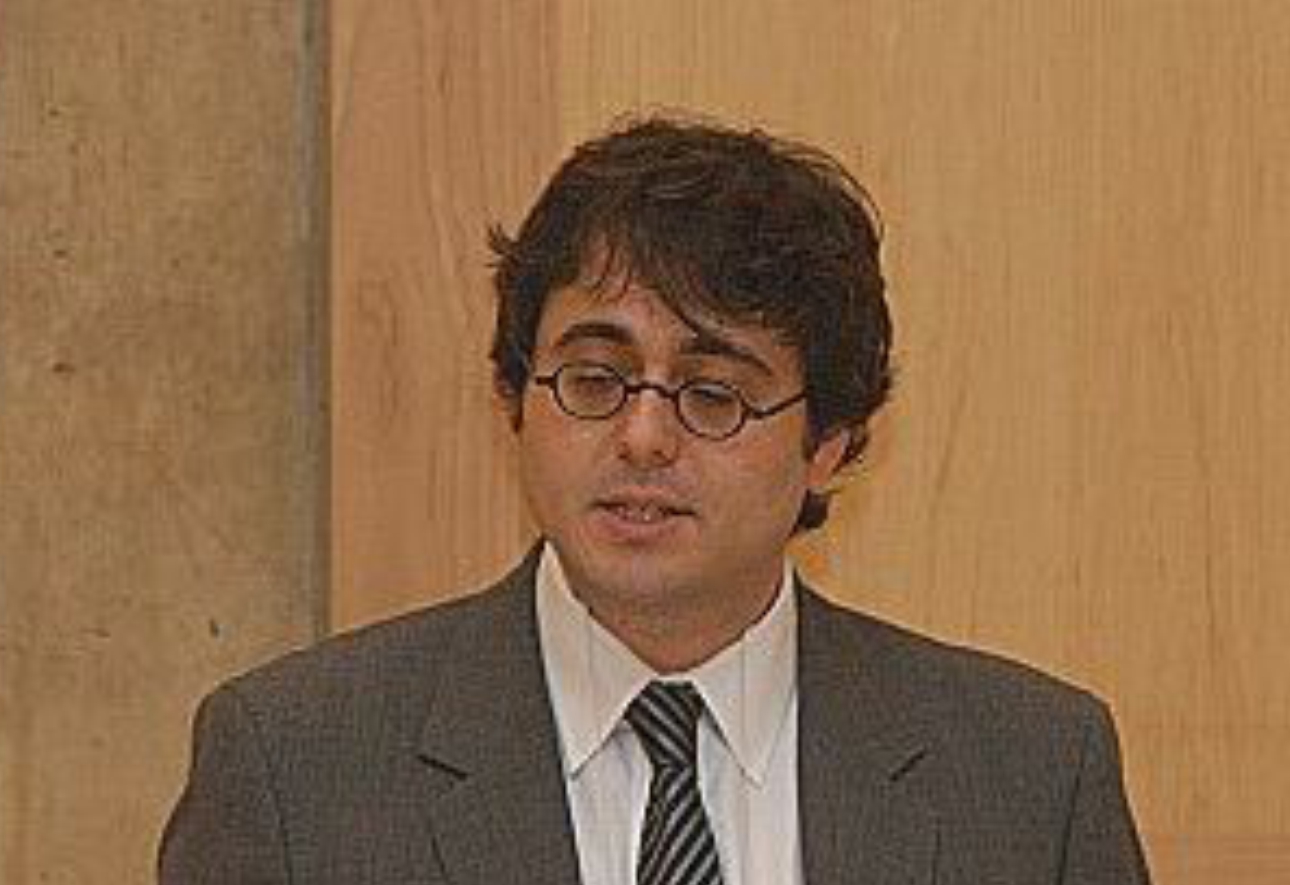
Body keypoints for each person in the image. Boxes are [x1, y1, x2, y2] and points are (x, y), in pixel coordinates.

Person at [159, 115, 1151, 884]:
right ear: (515, 396)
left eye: (712, 394)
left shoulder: (1028, 777)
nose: (641, 435)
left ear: (828, 444)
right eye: (595, 379)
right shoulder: (293, 768)